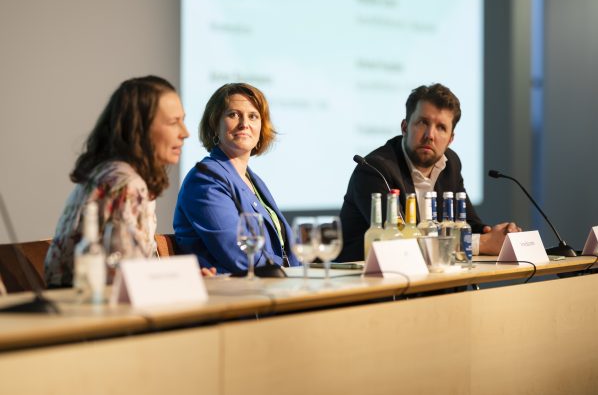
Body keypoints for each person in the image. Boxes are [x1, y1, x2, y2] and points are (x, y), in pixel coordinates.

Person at [45, 75, 215, 288]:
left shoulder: (112, 172)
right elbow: (126, 279)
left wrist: (182, 278)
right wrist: (181, 284)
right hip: (90, 305)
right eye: (174, 122)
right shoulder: (125, 184)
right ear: (140, 128)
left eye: (183, 120)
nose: (185, 133)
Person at [338, 83, 521, 262]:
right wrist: (481, 243)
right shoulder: (375, 169)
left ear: (450, 139)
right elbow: (399, 240)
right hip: (364, 278)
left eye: (441, 127)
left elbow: (469, 224)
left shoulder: (450, 164)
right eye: (423, 123)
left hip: (428, 277)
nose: (430, 135)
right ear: (405, 127)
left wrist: (499, 235)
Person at [173, 83, 300, 274]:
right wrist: (289, 273)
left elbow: (287, 250)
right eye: (233, 114)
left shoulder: (253, 179)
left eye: (253, 116)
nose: (244, 124)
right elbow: (240, 254)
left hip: (272, 282)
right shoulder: (205, 180)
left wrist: (303, 272)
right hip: (230, 289)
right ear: (214, 124)